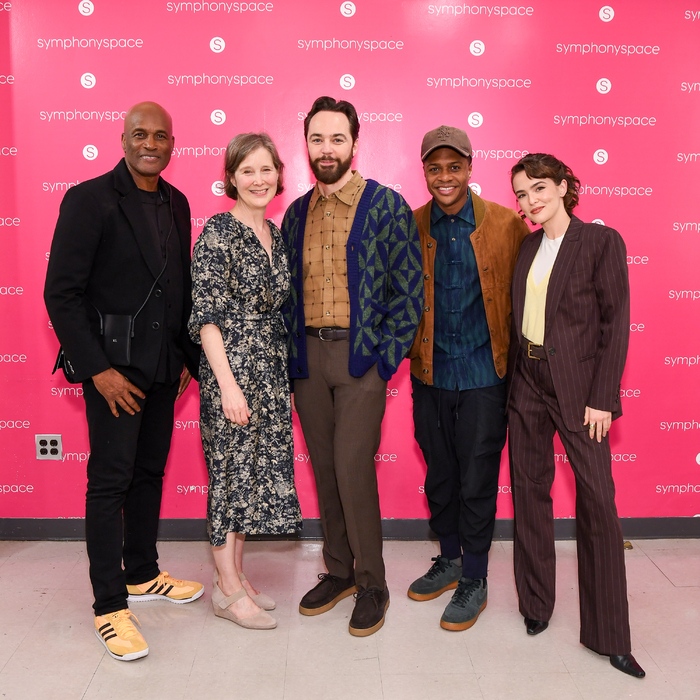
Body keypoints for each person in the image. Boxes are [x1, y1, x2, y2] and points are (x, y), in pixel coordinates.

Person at [44, 102, 203, 662]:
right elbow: (61, 294)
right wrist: (98, 371)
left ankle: (141, 573)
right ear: (123, 138)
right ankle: (110, 607)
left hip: (164, 370)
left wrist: (187, 361)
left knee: (149, 473)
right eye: (141, 134)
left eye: (161, 135)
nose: (151, 143)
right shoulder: (89, 199)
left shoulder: (177, 203)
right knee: (110, 482)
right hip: (113, 371)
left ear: (172, 143)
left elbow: (178, 289)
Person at [281, 96, 423, 637]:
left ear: (354, 143)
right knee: (323, 467)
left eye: (337, 138)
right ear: (307, 145)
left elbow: (410, 293)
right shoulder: (296, 213)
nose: (326, 148)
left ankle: (372, 583)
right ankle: (338, 570)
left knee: (352, 468)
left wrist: (384, 360)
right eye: (317, 139)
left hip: (361, 359)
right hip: (307, 363)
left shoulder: (385, 206)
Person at [507, 153, 644, 678]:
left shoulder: (601, 243)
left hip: (582, 391)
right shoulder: (527, 247)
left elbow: (616, 324)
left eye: (539, 188)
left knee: (598, 505)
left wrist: (603, 397)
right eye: (522, 194)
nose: (531, 201)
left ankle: (610, 634)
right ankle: (536, 607)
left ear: (565, 185)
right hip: (528, 385)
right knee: (529, 493)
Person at [407, 126, 529, 631]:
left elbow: (524, 301)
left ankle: (475, 578)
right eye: (435, 168)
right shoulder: (411, 225)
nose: (445, 177)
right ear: (426, 173)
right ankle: (451, 559)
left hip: (484, 374)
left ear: (470, 168)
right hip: (430, 374)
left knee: (477, 480)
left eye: (454, 167)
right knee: (440, 476)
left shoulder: (505, 224)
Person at [189, 133, 302, 631]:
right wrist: (228, 386)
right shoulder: (217, 230)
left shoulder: (274, 234)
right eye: (247, 171)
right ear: (231, 178)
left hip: (270, 370)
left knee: (251, 478)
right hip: (230, 370)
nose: (259, 180)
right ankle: (227, 589)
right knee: (228, 476)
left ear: (278, 173)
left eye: (266, 169)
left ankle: (233, 574)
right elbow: (206, 318)